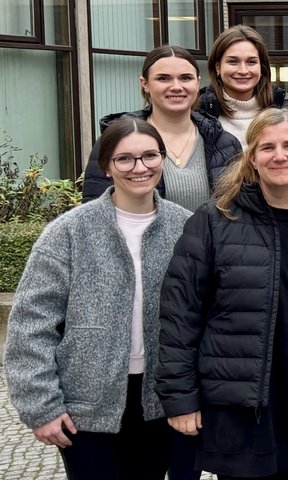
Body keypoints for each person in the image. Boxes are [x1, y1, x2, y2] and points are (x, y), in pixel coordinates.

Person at [157, 108, 288, 479]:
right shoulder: (214, 221)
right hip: (242, 409)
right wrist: (180, 399)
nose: (280, 155)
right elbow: (180, 314)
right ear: (252, 158)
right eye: (267, 147)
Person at [5, 120, 190, 480]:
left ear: (162, 159)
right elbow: (31, 324)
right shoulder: (68, 232)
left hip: (161, 400)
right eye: (125, 159)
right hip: (86, 406)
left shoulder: (186, 227)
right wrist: (41, 406)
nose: (140, 168)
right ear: (106, 166)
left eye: (150, 156)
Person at [81, 45, 243, 211]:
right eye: (163, 78)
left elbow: (240, 213)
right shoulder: (116, 142)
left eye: (186, 78)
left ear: (197, 83)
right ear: (145, 84)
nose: (176, 86)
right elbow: (94, 214)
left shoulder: (225, 144)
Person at [198, 26, 288, 144]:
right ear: (218, 67)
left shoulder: (286, 108)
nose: (243, 70)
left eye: (251, 62)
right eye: (233, 61)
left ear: (262, 67)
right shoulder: (199, 112)